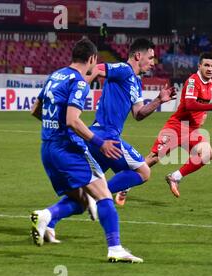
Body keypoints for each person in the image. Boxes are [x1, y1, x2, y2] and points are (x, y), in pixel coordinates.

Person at [45, 37, 175, 241]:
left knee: (86, 188)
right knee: (143, 171)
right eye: (150, 57)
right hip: (106, 136)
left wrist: (158, 100)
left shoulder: (136, 82)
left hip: (99, 136)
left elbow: (138, 113)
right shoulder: (123, 69)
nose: (153, 62)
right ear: (138, 56)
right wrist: (79, 89)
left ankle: (49, 218)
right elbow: (97, 69)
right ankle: (102, 198)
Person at [30, 38, 142, 263]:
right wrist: (100, 143)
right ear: (92, 59)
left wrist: (55, 125)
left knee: (82, 200)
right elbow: (73, 120)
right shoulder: (79, 82)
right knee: (103, 195)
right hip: (69, 149)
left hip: (47, 149)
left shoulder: (55, 76)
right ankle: (115, 248)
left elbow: (35, 110)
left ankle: (46, 217)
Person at [117, 52, 212, 201]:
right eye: (207, 65)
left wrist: (203, 114)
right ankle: (126, 184)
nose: (210, 69)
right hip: (177, 127)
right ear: (199, 66)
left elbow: (200, 104)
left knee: (207, 154)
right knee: (154, 158)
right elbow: (190, 104)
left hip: (191, 130)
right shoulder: (193, 81)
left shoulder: (210, 83)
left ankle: (175, 177)